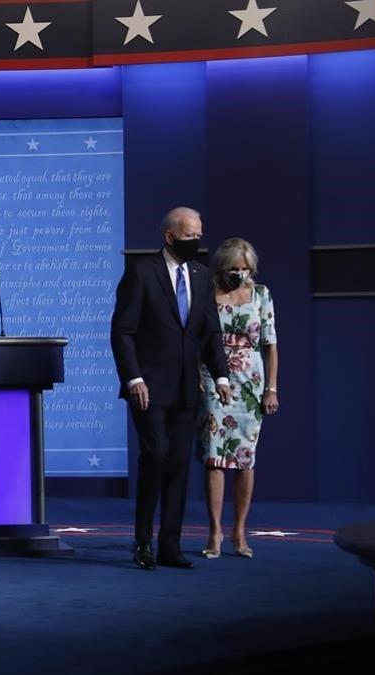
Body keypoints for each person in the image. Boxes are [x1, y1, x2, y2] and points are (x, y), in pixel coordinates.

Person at [110, 206, 232, 571]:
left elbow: (210, 333)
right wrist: (133, 378)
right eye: (190, 235)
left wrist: (222, 376)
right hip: (147, 387)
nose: (196, 241)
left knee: (178, 464)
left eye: (199, 235)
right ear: (169, 236)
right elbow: (123, 332)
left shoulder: (201, 275)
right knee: (156, 455)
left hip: (185, 389)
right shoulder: (141, 273)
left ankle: (170, 545)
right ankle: (143, 541)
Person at [199, 238, 279, 560]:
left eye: (246, 269)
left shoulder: (262, 296)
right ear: (222, 267)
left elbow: (271, 344)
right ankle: (215, 531)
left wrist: (272, 388)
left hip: (251, 382)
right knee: (214, 456)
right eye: (234, 269)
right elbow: (197, 339)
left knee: (245, 457)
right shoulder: (206, 294)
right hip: (212, 379)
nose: (241, 274)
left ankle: (240, 529)